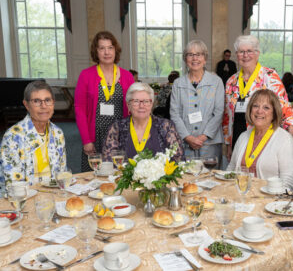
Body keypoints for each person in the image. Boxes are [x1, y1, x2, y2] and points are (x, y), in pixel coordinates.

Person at [223, 35, 293, 158]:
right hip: (238, 137)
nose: (245, 55)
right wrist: (229, 143)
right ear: (236, 54)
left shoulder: (270, 76)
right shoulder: (231, 81)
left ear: (257, 53)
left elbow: (283, 105)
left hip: (263, 136)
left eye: (249, 51)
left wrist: (291, 128)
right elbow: (227, 115)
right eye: (241, 52)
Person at [74, 31, 134, 172]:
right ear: (96, 51)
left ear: (115, 50)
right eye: (102, 48)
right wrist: (86, 140)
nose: (107, 52)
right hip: (96, 135)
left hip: (120, 134)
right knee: (95, 176)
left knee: (120, 174)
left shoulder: (127, 76)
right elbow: (79, 108)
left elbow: (133, 107)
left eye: (110, 47)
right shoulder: (86, 75)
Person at [226, 90, 293, 191]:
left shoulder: (285, 140)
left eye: (266, 107)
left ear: (274, 113)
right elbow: (231, 168)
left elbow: (288, 183)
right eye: (255, 106)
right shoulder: (243, 136)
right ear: (250, 110)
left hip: (268, 200)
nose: (259, 111)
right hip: (240, 195)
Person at [0, 81, 67, 185]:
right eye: (36, 101)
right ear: (26, 105)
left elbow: (62, 173)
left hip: (54, 193)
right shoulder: (12, 136)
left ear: (53, 103)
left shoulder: (57, 133)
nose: (43, 106)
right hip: (25, 197)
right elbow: (13, 184)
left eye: (47, 100)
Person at [170, 40, 225, 162]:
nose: (195, 58)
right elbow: (174, 114)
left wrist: (203, 136)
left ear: (205, 59)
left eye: (199, 54)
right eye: (190, 54)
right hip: (185, 143)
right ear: (185, 59)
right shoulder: (178, 84)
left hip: (210, 144)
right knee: (187, 179)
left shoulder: (216, 82)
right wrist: (188, 137)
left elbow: (219, 112)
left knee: (211, 179)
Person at [102, 83, 184, 161]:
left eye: (146, 101)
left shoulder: (166, 126)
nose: (141, 106)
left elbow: (178, 159)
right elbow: (108, 161)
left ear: (151, 104)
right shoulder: (117, 127)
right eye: (136, 101)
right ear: (128, 105)